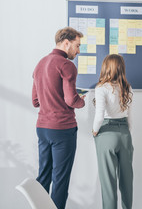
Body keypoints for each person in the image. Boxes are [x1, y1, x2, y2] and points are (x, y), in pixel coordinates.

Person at [32, 27, 85, 209]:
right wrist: (81, 101)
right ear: (66, 43)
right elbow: (71, 100)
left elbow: (35, 101)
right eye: (77, 46)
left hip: (43, 128)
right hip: (62, 129)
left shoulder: (40, 63)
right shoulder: (67, 65)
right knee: (60, 179)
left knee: (44, 176)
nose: (78, 51)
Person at [92, 54, 134, 209]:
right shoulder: (127, 87)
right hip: (124, 133)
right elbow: (130, 116)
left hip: (106, 133)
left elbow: (99, 115)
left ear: (105, 67)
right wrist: (127, 132)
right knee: (127, 180)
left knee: (108, 183)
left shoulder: (101, 88)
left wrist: (95, 131)